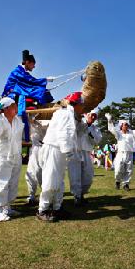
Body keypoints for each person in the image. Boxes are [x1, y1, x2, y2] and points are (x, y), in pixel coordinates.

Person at [36, 92, 84, 222]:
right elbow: (63, 133)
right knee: (50, 179)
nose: (83, 107)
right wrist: (68, 151)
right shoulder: (65, 114)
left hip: (58, 150)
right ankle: (43, 210)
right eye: (82, 104)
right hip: (54, 148)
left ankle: (57, 208)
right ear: (77, 104)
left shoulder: (68, 114)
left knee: (59, 181)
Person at [0, 97, 24, 222]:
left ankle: (7, 207)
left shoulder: (18, 120)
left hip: (15, 155)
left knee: (12, 182)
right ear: (6, 108)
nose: (16, 108)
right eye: (14, 106)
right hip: (0, 156)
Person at [2, 49, 54, 141]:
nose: (34, 67)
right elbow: (29, 81)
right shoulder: (17, 71)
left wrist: (44, 83)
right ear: (27, 62)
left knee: (43, 91)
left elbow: (30, 80)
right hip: (13, 93)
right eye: (33, 64)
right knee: (39, 90)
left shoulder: (23, 72)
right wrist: (45, 80)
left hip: (20, 89)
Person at [68, 109, 102, 206]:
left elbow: (97, 141)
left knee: (88, 175)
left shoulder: (95, 129)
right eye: (92, 115)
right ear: (87, 114)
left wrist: (90, 133)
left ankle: (81, 194)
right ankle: (77, 197)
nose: (93, 117)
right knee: (75, 175)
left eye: (95, 116)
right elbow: (76, 131)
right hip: (75, 151)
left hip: (87, 152)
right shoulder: (79, 122)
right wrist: (86, 123)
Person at [105, 114, 135, 191]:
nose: (126, 126)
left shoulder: (132, 132)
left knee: (129, 170)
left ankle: (126, 184)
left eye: (127, 125)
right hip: (120, 154)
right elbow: (111, 129)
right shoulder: (118, 133)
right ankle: (118, 181)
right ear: (121, 126)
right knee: (118, 169)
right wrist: (109, 120)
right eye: (125, 125)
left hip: (130, 153)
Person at [24, 116, 49, 206]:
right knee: (30, 173)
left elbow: (47, 127)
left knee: (41, 173)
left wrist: (36, 122)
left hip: (43, 148)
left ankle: (46, 195)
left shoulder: (46, 117)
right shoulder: (25, 120)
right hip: (33, 148)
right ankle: (31, 195)